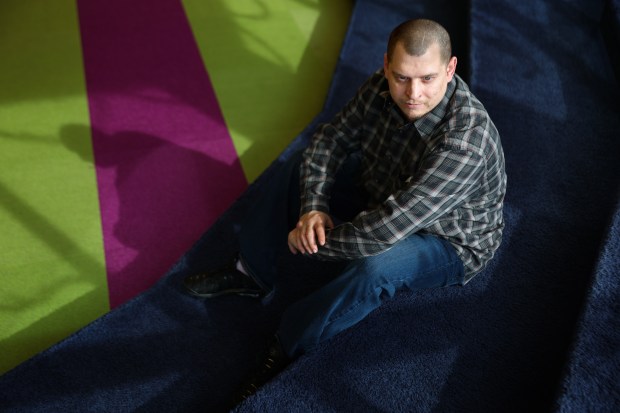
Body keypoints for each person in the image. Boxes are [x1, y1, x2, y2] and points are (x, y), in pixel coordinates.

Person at [184, 18, 506, 405]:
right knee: (299, 165)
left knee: (375, 268)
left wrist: (309, 244)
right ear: (386, 64)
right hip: (385, 185)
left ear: (451, 69)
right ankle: (249, 272)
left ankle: (287, 343)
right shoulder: (380, 87)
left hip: (447, 237)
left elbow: (383, 231)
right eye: (401, 77)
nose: (413, 93)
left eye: (427, 79)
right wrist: (312, 210)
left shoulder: (466, 142)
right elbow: (330, 140)